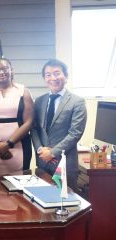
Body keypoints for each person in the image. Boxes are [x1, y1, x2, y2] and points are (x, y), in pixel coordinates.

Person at [31, 59, 87, 191]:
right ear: (44, 78)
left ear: (66, 76)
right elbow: (34, 129)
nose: (53, 78)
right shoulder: (39, 101)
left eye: (57, 73)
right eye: (48, 74)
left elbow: (75, 133)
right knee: (42, 202)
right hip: (42, 162)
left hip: (64, 162)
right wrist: (41, 151)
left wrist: (53, 153)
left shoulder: (77, 102)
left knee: (66, 205)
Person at [0, 58, 33, 176]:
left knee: (20, 184)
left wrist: (8, 144)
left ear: (11, 70)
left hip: (19, 147)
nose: (1, 73)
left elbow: (29, 122)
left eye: (5, 69)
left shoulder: (23, 91)